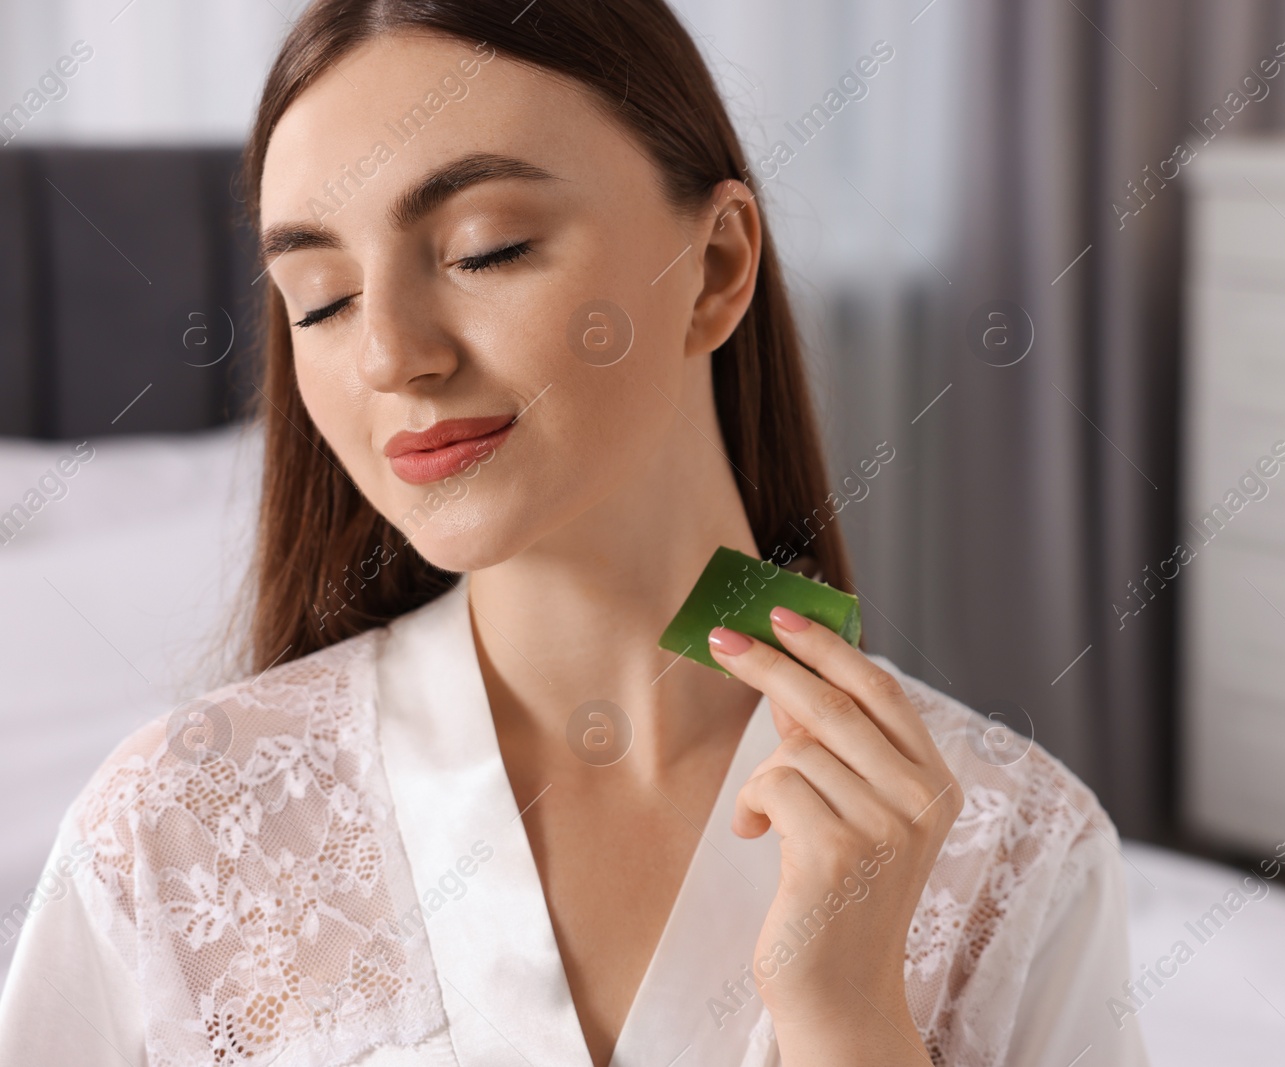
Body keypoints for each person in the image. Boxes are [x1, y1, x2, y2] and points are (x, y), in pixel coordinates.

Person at [0, 2, 1149, 1065]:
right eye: (322, 298)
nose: (391, 353)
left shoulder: (1019, 851)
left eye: (485, 248)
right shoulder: (175, 834)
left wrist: (849, 1022)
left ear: (714, 265)